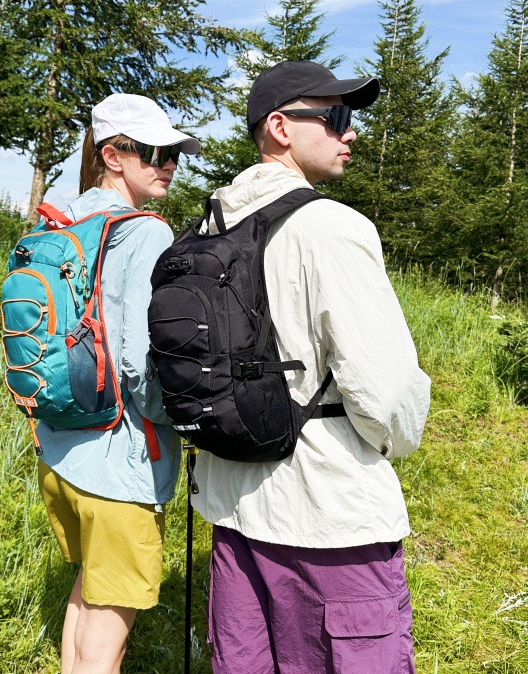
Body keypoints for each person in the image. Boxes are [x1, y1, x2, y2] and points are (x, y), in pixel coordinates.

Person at [192, 60, 431, 673]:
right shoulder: (331, 227)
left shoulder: (209, 227)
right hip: (328, 517)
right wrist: (396, 443)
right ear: (280, 127)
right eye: (337, 116)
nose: (351, 132)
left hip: (231, 508)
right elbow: (385, 389)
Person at [36, 93, 198, 674]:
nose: (169, 164)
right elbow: (138, 366)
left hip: (61, 448)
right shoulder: (145, 232)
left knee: (89, 591)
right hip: (122, 459)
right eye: (154, 152)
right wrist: (185, 418)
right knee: (108, 632)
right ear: (112, 155)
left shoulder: (64, 220)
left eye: (174, 153)